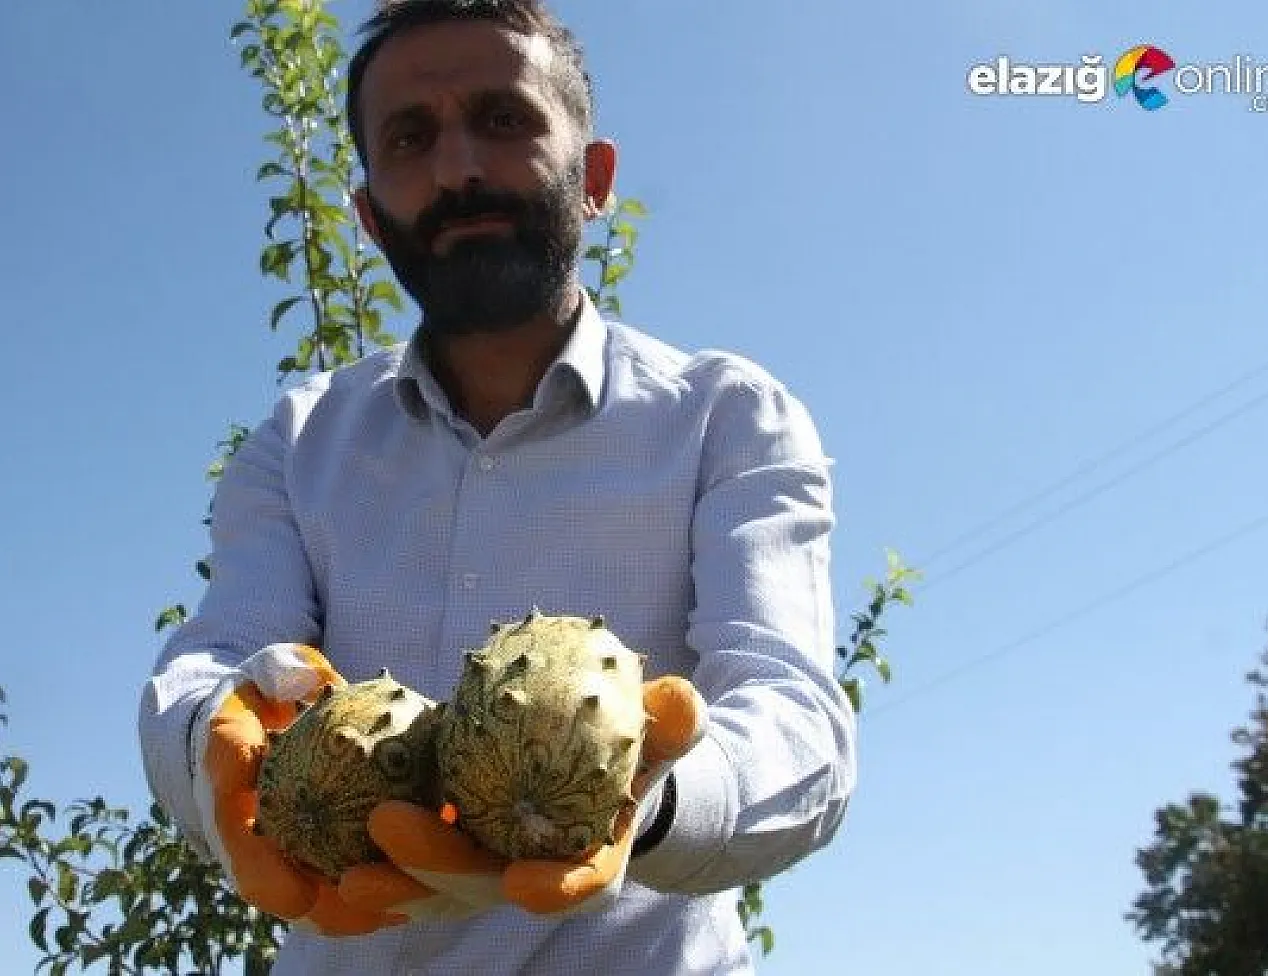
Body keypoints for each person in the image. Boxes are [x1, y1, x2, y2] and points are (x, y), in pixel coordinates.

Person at [137, 1, 857, 972]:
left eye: (504, 119)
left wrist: (643, 797)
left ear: (594, 176)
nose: (457, 168)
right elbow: (213, 659)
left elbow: (793, 722)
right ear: (366, 216)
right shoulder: (297, 440)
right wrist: (206, 746)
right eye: (409, 137)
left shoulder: (726, 418)